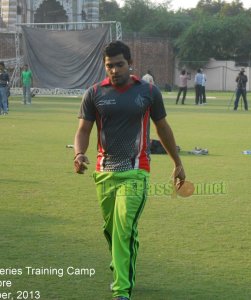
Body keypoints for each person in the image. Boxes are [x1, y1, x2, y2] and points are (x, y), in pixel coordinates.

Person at [73, 41, 186, 300]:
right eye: (109, 66)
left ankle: (122, 290)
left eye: (120, 64)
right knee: (111, 229)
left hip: (136, 172)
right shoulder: (94, 94)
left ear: (130, 63)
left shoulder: (148, 91)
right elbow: (83, 130)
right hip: (104, 172)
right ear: (105, 66)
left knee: (124, 227)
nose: (114, 70)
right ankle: (120, 259)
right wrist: (79, 154)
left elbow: (163, 129)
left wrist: (177, 163)